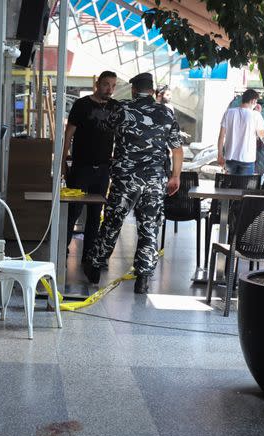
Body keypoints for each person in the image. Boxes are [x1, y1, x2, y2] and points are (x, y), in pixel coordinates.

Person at [83, 72, 184, 294]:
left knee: (111, 222)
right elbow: (177, 149)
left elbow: (103, 129)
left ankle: (95, 268)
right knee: (149, 227)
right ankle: (143, 278)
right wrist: (175, 176)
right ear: (153, 91)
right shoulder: (166, 113)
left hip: (124, 179)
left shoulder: (122, 109)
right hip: (154, 180)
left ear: (133, 90)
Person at [60, 71, 118, 264]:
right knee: (73, 211)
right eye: (105, 84)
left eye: (112, 85)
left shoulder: (115, 107)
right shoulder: (82, 104)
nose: (109, 89)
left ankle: (89, 256)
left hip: (103, 169)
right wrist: (62, 163)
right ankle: (62, 251)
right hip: (80, 167)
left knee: (95, 214)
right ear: (97, 84)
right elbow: (68, 135)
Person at [217, 89, 264, 175]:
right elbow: (261, 135)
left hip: (230, 158)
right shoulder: (256, 115)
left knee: (229, 187)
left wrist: (220, 155)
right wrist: (259, 113)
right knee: (244, 187)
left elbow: (221, 137)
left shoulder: (228, 113)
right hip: (247, 159)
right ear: (253, 101)